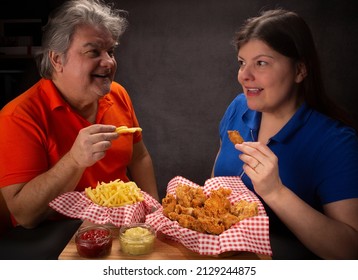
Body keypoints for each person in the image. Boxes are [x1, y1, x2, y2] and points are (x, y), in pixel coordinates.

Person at [212, 9, 358, 259]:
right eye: (241, 62)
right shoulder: (238, 107)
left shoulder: (337, 142)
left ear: (300, 70)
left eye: (261, 63)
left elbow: (350, 251)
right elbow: (215, 183)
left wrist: (275, 191)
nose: (244, 76)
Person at [0, 0, 159, 229]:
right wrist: (74, 161)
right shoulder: (18, 117)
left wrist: (153, 210)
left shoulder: (118, 94)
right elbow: (25, 215)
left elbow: (139, 157)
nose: (109, 62)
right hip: (60, 232)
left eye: (111, 51)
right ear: (57, 59)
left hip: (122, 225)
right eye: (93, 51)